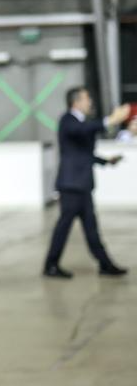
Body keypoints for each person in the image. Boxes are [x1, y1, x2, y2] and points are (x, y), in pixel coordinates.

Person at [42, 88, 130, 278]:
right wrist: (110, 120)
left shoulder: (82, 123)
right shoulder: (68, 120)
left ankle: (105, 264)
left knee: (91, 229)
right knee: (64, 227)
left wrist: (107, 161)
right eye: (87, 98)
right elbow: (83, 130)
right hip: (71, 186)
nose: (90, 101)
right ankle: (51, 265)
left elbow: (84, 154)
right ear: (76, 102)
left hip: (82, 185)